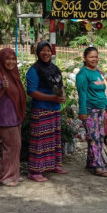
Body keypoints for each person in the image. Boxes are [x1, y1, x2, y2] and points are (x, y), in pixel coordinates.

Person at [25, 41, 67, 182]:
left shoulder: (54, 68)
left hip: (54, 110)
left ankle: (54, 165)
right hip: (41, 109)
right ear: (38, 53)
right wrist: (52, 98)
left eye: (48, 50)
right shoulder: (34, 70)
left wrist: (62, 95)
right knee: (40, 141)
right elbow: (31, 91)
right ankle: (35, 171)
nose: (46, 53)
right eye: (42, 50)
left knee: (53, 139)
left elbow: (60, 86)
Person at [0, 48, 26, 187]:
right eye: (7, 59)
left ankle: (14, 174)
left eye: (13, 59)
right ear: (1, 60)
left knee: (16, 145)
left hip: (14, 117)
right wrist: (2, 88)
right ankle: (6, 177)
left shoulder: (13, 75)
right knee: (11, 146)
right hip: (4, 118)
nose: (11, 62)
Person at [76, 46, 107, 177]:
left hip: (101, 110)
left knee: (100, 136)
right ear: (85, 58)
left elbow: (102, 92)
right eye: (91, 57)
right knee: (93, 137)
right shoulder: (82, 74)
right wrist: (82, 111)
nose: (94, 59)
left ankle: (91, 162)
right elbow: (82, 94)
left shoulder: (97, 72)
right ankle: (98, 166)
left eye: (96, 56)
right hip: (90, 110)